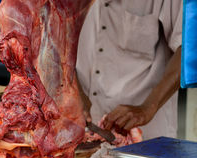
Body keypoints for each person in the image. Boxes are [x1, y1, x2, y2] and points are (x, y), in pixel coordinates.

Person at [76, 0, 182, 140]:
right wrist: (73, 94)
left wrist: (147, 108)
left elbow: (188, 49)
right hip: (85, 132)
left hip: (146, 139)